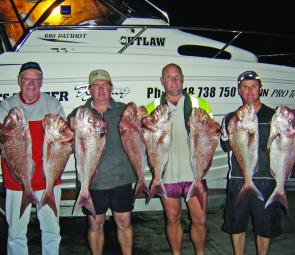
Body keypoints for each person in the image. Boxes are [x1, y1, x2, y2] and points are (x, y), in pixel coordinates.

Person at [146, 63, 213, 255]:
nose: (174, 80)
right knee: (172, 219)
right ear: (162, 81)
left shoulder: (199, 104)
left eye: (177, 76)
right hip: (167, 175)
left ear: (183, 78)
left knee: (199, 219)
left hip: (195, 174)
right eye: (169, 77)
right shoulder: (153, 107)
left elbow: (212, 135)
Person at [67, 69, 136, 255]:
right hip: (92, 182)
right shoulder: (80, 113)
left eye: (104, 85)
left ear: (111, 87)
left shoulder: (123, 110)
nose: (101, 89)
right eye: (96, 86)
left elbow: (142, 126)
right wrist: (71, 124)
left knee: (124, 221)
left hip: (121, 178)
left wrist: (138, 113)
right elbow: (68, 127)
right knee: (95, 224)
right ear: (90, 89)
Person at [0, 61, 65, 255]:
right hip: (17, 181)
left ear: (42, 82)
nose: (31, 84)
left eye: (36, 80)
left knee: (52, 230)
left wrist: (53, 128)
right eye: (27, 80)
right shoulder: (7, 105)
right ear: (19, 81)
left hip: (48, 180)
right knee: (16, 233)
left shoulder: (52, 104)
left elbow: (65, 139)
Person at [220, 71, 282, 255]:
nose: (249, 90)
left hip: (266, 179)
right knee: (236, 225)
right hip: (239, 179)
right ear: (239, 90)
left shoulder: (274, 116)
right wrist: (227, 131)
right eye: (245, 87)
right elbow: (225, 146)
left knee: (264, 227)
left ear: (260, 89)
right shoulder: (231, 117)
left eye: (253, 86)